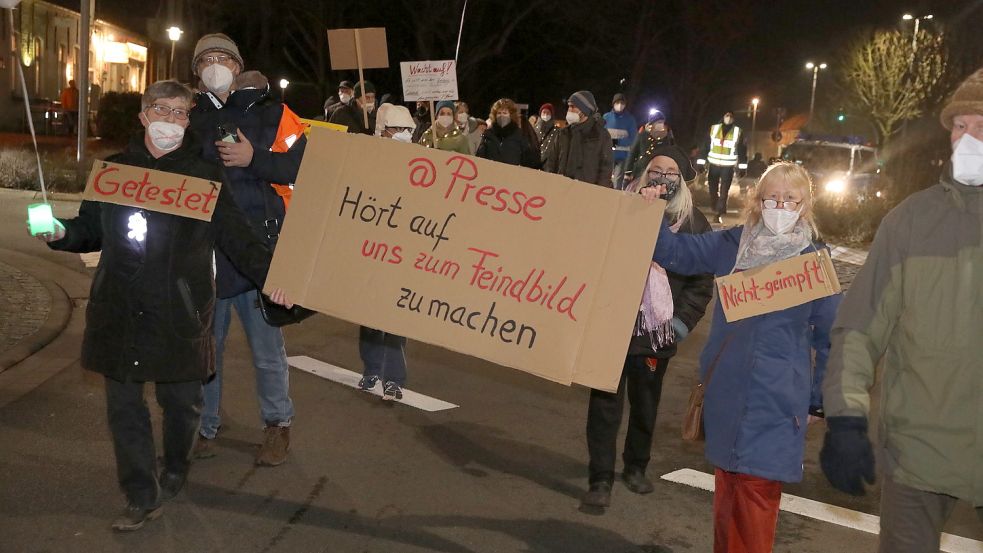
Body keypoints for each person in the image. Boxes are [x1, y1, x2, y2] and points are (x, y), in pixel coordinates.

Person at [33, 80, 290, 531]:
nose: (172, 120)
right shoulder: (113, 172)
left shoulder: (205, 177)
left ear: (189, 120)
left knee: (182, 403)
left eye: (180, 112)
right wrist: (61, 233)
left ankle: (175, 466)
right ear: (143, 115)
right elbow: (90, 229)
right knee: (124, 409)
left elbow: (239, 239)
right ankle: (140, 494)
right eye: (162, 110)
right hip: (120, 307)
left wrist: (275, 278)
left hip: (179, 311)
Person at [819, 68, 983, 553]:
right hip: (917, 453)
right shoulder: (910, 221)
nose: (968, 138)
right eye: (959, 126)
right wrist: (846, 420)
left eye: (982, 125)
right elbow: (859, 330)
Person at [643, 162, 841, 552]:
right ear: (757, 200)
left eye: (790, 199)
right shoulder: (733, 245)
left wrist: (820, 399)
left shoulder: (814, 265)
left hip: (777, 402)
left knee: (755, 498)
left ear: (805, 206)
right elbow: (677, 253)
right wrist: (650, 213)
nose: (779, 205)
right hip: (728, 393)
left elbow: (832, 338)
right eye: (772, 197)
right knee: (727, 494)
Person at [188, 33, 307, 466]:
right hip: (206, 254)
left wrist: (252, 158)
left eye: (223, 58)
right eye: (206, 60)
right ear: (197, 73)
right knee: (205, 350)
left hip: (259, 251)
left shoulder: (275, 113)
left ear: (238, 67)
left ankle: (278, 426)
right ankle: (204, 426)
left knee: (266, 350)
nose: (215, 65)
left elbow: (303, 166)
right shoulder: (187, 116)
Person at [582, 144, 713, 509]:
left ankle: (636, 466)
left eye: (672, 173)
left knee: (645, 402)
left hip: (657, 330)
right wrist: (637, 213)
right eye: (657, 170)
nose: (663, 178)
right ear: (644, 173)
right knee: (605, 403)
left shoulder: (694, 223)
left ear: (682, 181)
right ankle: (600, 477)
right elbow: (595, 254)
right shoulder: (622, 209)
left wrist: (680, 325)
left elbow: (702, 283)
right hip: (612, 323)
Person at [543, 91, 613, 187]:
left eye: (573, 107)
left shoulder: (601, 135)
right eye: (569, 107)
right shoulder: (563, 133)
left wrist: (598, 193)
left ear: (584, 110)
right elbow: (551, 162)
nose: (569, 110)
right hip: (561, 189)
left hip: (586, 193)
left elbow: (605, 169)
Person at [698, 112, 748, 223]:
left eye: (730, 116)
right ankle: (715, 207)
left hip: (728, 167)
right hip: (713, 165)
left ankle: (718, 212)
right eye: (726, 115)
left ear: (733, 118)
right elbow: (705, 146)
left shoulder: (738, 132)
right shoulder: (714, 129)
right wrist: (701, 163)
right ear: (723, 117)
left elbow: (742, 151)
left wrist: (743, 168)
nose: (728, 118)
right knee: (712, 189)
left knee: (724, 191)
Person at [476, 98, 539, 168]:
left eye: (505, 113)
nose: (501, 116)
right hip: (491, 174)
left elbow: (528, 159)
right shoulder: (488, 134)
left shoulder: (519, 134)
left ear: (511, 115)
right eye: (499, 113)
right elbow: (480, 156)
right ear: (495, 115)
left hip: (512, 176)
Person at [627, 112, 676, 184]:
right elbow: (633, 152)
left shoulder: (667, 136)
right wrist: (628, 171)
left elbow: (672, 151)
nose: (661, 124)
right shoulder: (643, 134)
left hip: (659, 172)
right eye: (658, 122)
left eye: (662, 122)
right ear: (652, 123)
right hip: (641, 170)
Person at [603, 93, 639, 189]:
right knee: (604, 178)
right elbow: (602, 135)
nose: (620, 105)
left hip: (622, 156)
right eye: (617, 102)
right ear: (613, 103)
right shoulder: (606, 118)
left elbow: (633, 139)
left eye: (622, 103)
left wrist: (617, 142)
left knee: (617, 181)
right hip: (607, 155)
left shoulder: (630, 120)